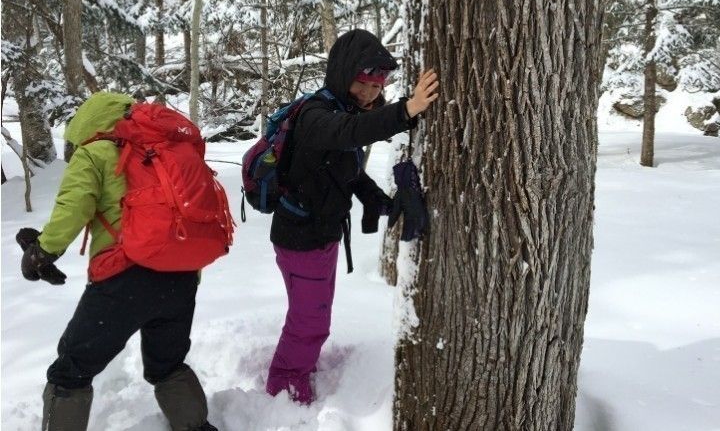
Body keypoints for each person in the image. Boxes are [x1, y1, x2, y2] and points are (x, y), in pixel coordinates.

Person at [19, 92, 218, 431]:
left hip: (124, 279)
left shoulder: (94, 153)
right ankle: (196, 427)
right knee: (167, 364)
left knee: (71, 370)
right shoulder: (166, 149)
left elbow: (74, 209)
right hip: (181, 276)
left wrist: (41, 251)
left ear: (84, 124)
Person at [266, 28, 439, 404]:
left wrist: (378, 201)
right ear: (344, 75)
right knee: (309, 321)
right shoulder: (317, 114)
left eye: (378, 87)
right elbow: (345, 135)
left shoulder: (343, 112)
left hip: (321, 236)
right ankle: (284, 388)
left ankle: (298, 368)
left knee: (313, 316)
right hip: (300, 238)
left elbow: (348, 171)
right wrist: (406, 111)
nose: (372, 93)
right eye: (364, 83)